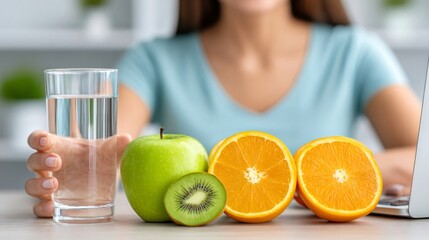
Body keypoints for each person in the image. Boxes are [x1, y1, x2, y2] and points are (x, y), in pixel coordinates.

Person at [25, 0, 421, 217]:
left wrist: (302, 174)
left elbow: (422, 156)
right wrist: (71, 171)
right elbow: (106, 153)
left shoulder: (355, 52)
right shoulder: (153, 60)